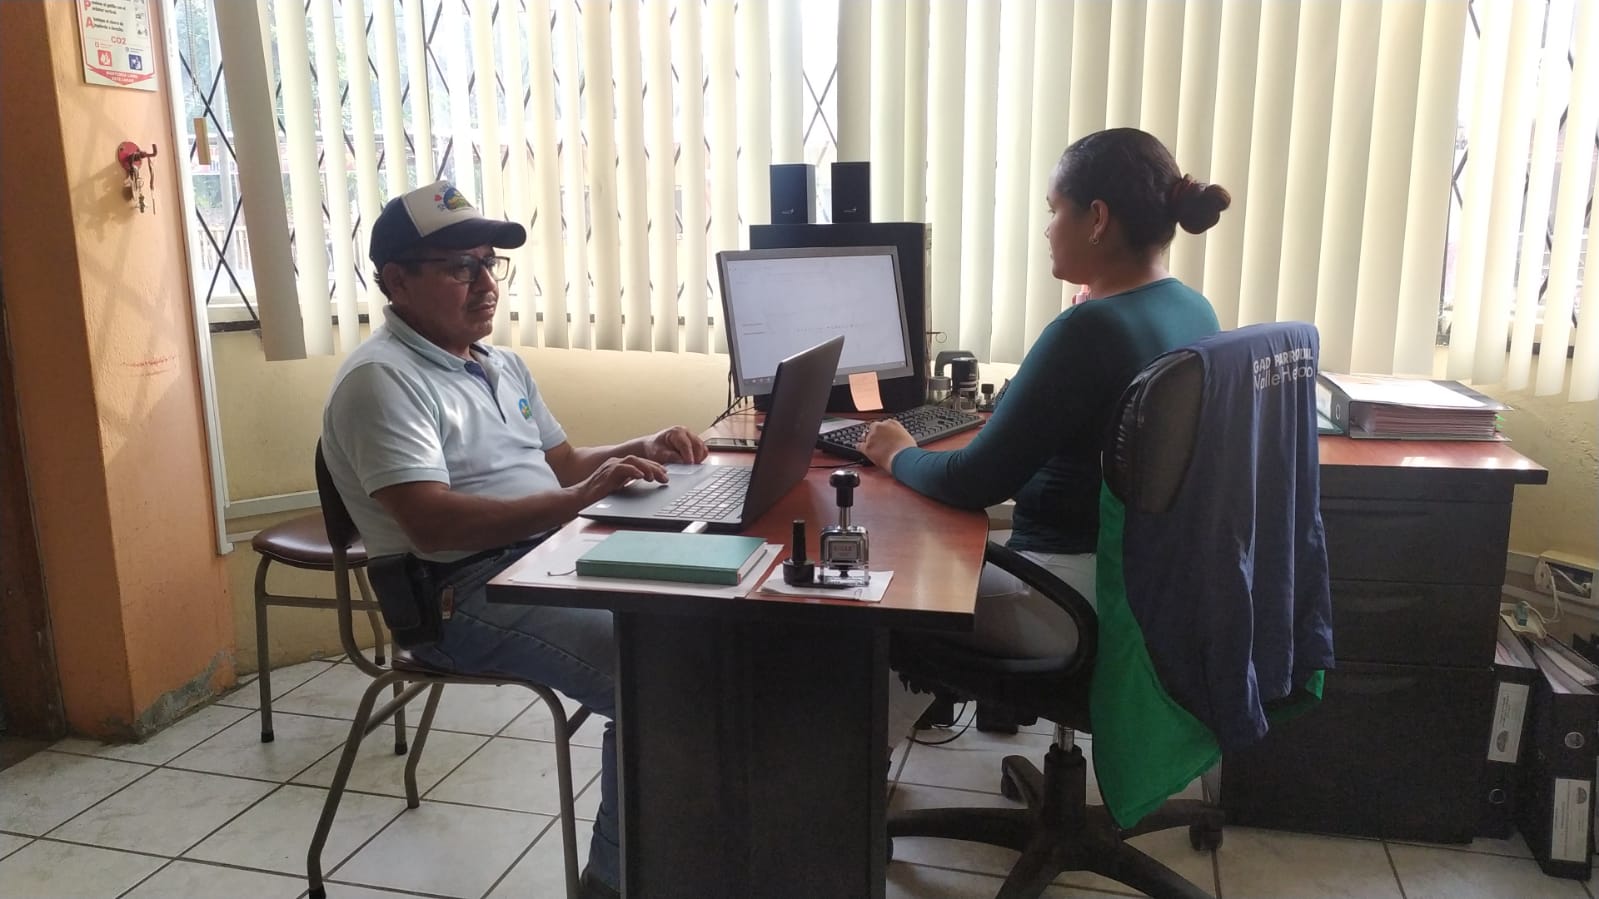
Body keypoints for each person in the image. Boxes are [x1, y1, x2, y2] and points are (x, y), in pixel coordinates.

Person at [321, 179, 707, 899]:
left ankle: (702, 828)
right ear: (396, 281)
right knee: (657, 681)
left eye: (489, 264)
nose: (486, 284)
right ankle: (615, 882)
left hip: (545, 556)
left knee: (706, 618)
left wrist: (641, 444)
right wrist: (575, 501)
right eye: (460, 268)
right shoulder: (381, 381)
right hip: (457, 595)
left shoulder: (497, 362)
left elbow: (564, 463)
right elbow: (432, 522)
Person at [859, 128, 1231, 729]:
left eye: (1054, 210)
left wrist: (896, 451)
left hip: (1068, 597)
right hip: (1144, 588)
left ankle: (847, 772)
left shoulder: (1089, 331)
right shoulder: (1191, 307)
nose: (1048, 229)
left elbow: (972, 481)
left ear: (1097, 219)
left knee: (868, 591)